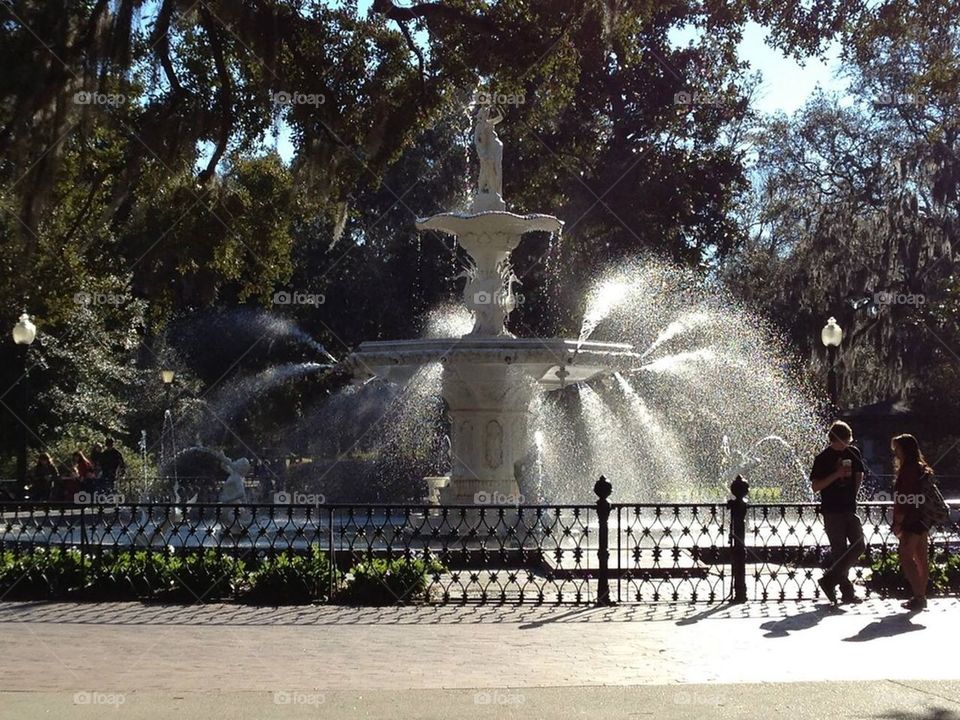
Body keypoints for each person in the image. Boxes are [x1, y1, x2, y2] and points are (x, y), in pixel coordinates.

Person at [810, 420, 865, 604]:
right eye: (846, 440)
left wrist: (852, 495)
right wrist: (837, 474)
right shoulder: (823, 458)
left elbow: (859, 475)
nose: (848, 444)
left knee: (859, 545)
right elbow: (816, 486)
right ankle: (846, 592)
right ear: (837, 439)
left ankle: (829, 580)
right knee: (839, 550)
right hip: (832, 509)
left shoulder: (853, 453)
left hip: (849, 507)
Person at [891, 434, 933, 611]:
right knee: (922, 559)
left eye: (897, 449)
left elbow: (904, 499)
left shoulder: (908, 470)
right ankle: (921, 596)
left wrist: (898, 522)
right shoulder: (921, 468)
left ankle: (919, 597)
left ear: (905, 450)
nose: (895, 453)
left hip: (911, 519)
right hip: (923, 518)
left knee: (907, 558)